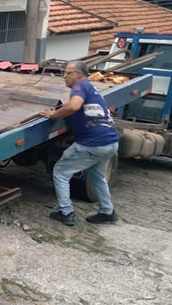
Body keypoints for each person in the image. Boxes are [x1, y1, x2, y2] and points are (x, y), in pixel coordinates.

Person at [39, 61, 119, 226]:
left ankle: (65, 212)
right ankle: (107, 211)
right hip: (110, 142)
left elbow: (74, 106)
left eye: (68, 73)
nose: (65, 77)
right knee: (98, 176)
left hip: (93, 144)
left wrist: (53, 114)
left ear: (79, 74)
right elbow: (84, 114)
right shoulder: (92, 89)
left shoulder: (80, 86)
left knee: (60, 172)